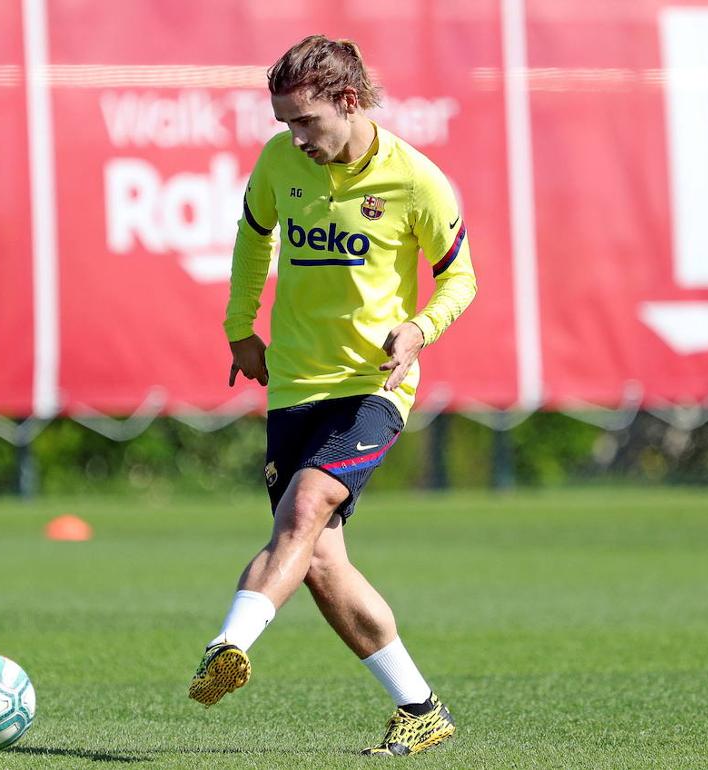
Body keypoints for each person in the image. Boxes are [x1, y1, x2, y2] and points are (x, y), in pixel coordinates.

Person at [187, 35, 478, 757]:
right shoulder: (279, 163)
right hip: (294, 385)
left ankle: (228, 645)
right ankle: (420, 706)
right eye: (285, 123)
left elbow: (461, 279)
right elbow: (253, 239)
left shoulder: (417, 180)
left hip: (372, 388)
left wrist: (418, 327)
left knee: (307, 505)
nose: (295, 137)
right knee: (318, 561)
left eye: (306, 121)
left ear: (349, 102)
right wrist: (238, 329)